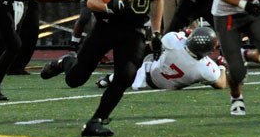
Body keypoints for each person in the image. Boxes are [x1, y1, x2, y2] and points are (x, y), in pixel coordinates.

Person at [40, 0, 171, 137]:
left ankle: (96, 120)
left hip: (135, 28)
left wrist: (157, 31)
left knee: (126, 75)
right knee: (76, 79)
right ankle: (67, 62)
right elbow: (92, 1)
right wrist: (111, 6)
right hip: (108, 25)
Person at [96, 27, 226, 90]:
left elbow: (156, 44)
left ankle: (110, 78)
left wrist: (184, 33)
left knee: (150, 49)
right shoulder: (206, 69)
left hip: (149, 73)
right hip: (165, 85)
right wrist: (222, 66)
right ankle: (112, 78)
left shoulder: (174, 41)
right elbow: (221, 84)